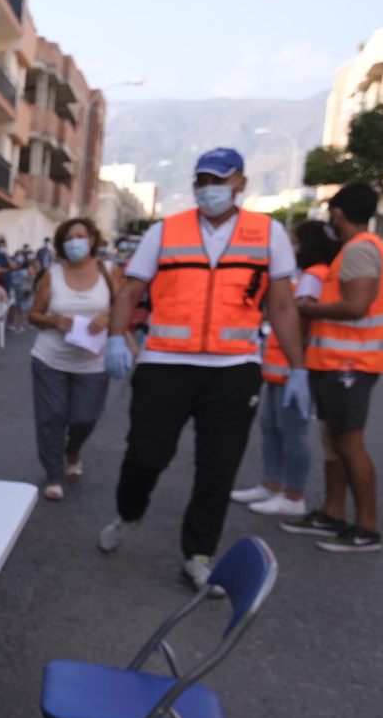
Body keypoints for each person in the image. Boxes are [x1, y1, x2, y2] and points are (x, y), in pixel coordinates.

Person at [98, 147, 310, 591]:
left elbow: (284, 305)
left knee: (218, 469)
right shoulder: (165, 231)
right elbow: (129, 292)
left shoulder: (267, 233)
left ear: (240, 184)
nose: (209, 189)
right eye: (202, 181)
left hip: (234, 370)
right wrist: (117, 338)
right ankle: (130, 512)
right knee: (145, 456)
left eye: (220, 179)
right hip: (165, 364)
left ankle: (197, 555)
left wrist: (298, 369)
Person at [280, 183, 383, 552]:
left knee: (349, 443)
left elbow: (356, 306)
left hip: (351, 363)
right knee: (333, 443)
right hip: (337, 362)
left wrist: (309, 308)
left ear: (338, 213)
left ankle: (366, 527)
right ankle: (332, 513)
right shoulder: (357, 248)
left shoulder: (360, 250)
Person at [231, 220, 335, 517]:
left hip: (294, 365)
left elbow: (299, 314)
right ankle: (271, 484)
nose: (290, 248)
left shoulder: (314, 276)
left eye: (296, 243)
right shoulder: (301, 275)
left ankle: (293, 495)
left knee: (292, 432)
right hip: (279, 364)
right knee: (270, 427)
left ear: (309, 245)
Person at [26, 218, 114, 501]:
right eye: (68, 238)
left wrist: (107, 318)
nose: (74, 241)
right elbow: (33, 315)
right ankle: (54, 474)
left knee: (84, 418)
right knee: (51, 420)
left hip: (93, 362)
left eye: (80, 236)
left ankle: (73, 451)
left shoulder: (109, 271)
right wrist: (53, 321)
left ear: (91, 240)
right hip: (50, 359)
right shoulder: (53, 274)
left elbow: (124, 307)